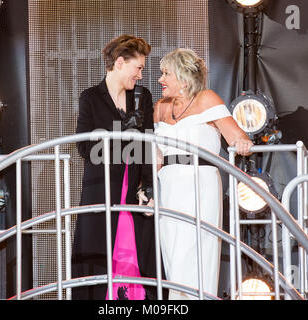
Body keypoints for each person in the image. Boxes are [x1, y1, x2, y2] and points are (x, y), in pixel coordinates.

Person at [153, 48, 253, 299]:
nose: (160, 79)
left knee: (195, 254)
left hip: (200, 185)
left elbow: (236, 137)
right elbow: (153, 153)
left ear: (184, 79)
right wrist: (149, 188)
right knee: (173, 256)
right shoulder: (160, 107)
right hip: (167, 186)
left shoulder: (207, 99)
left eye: (166, 74)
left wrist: (242, 142)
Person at [72, 34, 157, 300]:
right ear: (120, 62)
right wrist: (120, 135)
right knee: (98, 255)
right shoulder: (90, 98)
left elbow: (147, 145)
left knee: (138, 254)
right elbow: (85, 148)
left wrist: (148, 186)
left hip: (133, 189)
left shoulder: (142, 97)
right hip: (101, 188)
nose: (140, 75)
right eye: (138, 68)